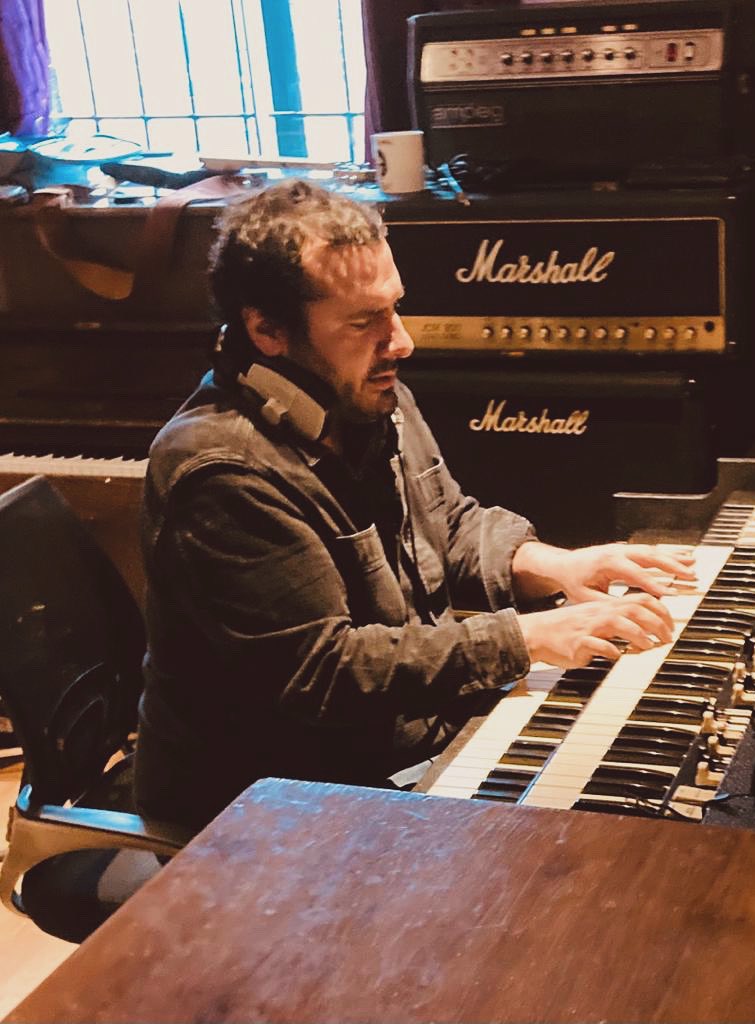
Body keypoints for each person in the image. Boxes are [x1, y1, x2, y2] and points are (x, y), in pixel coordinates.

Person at [134, 179, 696, 830]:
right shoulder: (222, 470)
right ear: (267, 329)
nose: (399, 341)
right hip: (272, 814)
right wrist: (527, 637)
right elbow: (324, 671)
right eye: (364, 321)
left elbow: (447, 525)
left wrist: (558, 565)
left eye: (394, 309)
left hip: (390, 759)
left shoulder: (364, 398)